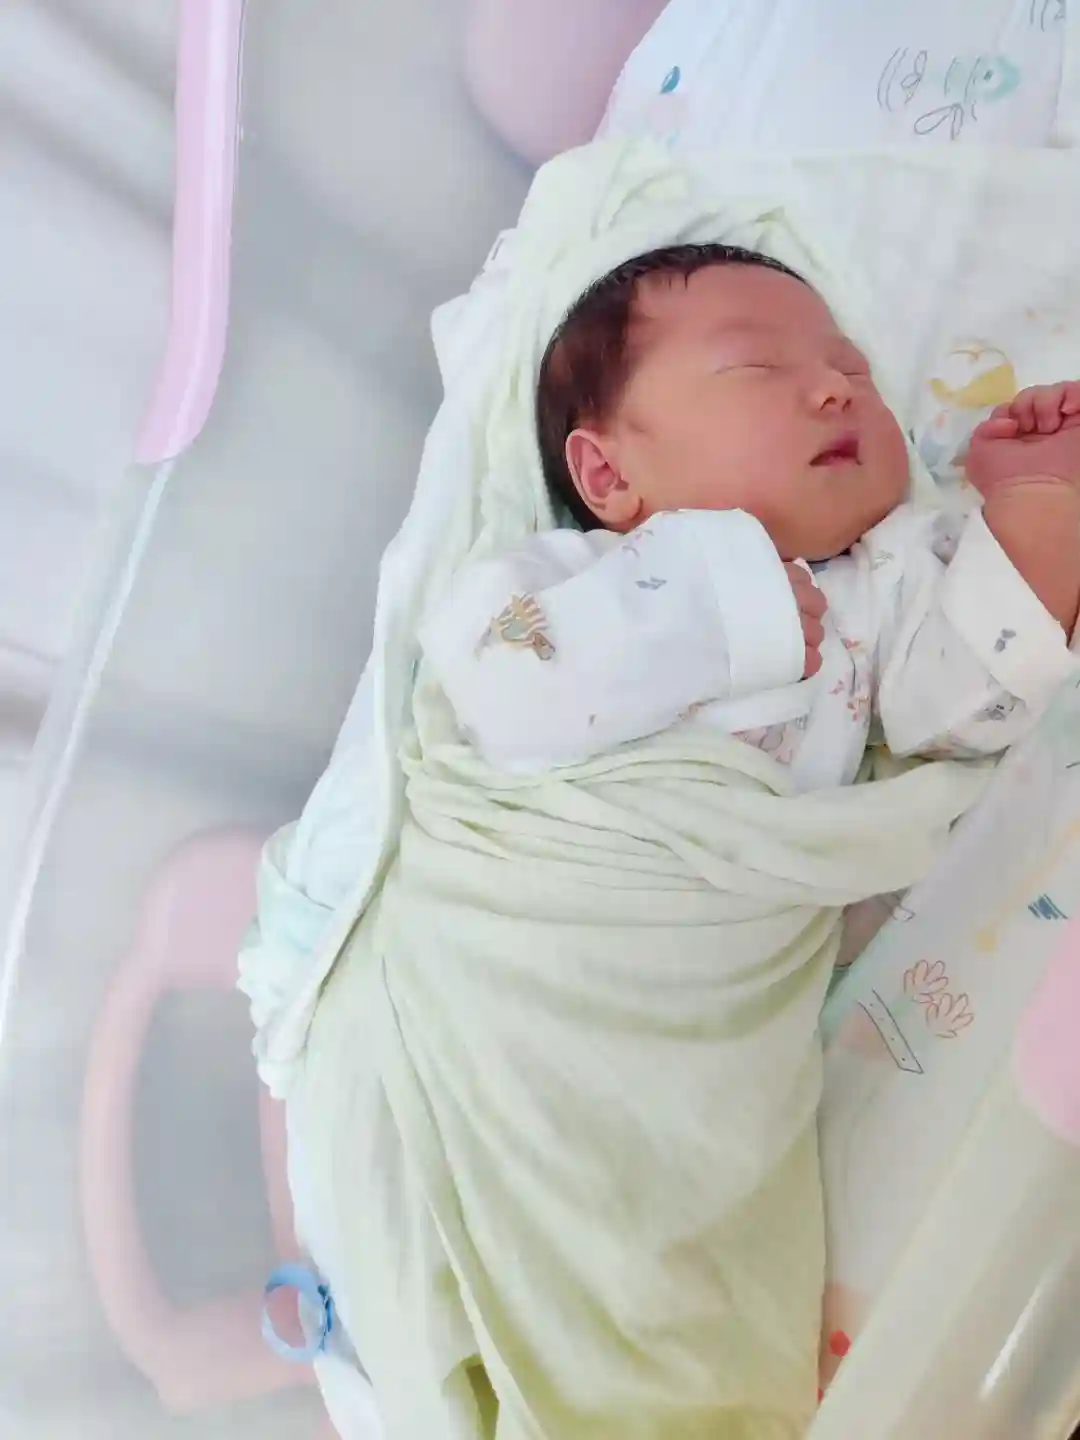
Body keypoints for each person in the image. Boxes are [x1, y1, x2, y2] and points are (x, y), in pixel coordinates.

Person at [420, 244, 1080, 790]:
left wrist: (1038, 498)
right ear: (609, 474)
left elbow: (964, 706)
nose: (836, 389)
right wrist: (716, 605)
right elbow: (493, 685)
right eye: (755, 365)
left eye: (854, 371)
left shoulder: (882, 579)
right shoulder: (570, 575)